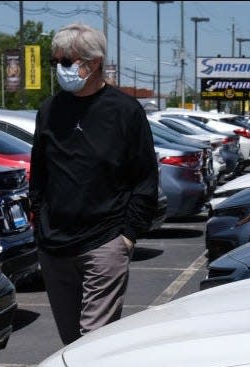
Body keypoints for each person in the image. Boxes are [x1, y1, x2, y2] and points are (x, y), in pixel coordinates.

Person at [29, 23, 160, 345]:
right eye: (55, 62)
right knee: (70, 340)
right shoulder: (50, 110)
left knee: (92, 341)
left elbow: (144, 177)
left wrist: (127, 237)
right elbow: (40, 172)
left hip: (104, 242)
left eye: (66, 62)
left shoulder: (125, 112)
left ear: (93, 62)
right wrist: (39, 221)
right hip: (55, 244)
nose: (60, 69)